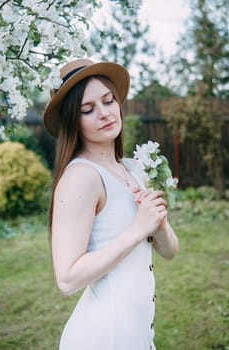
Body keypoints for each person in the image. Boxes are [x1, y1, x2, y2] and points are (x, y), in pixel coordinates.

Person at [43, 58, 179, 350]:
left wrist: (159, 223)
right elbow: (67, 279)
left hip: (139, 336)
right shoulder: (82, 176)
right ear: (73, 121)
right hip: (104, 337)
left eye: (108, 101)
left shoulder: (132, 168)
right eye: (88, 109)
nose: (104, 113)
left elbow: (170, 251)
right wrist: (138, 228)